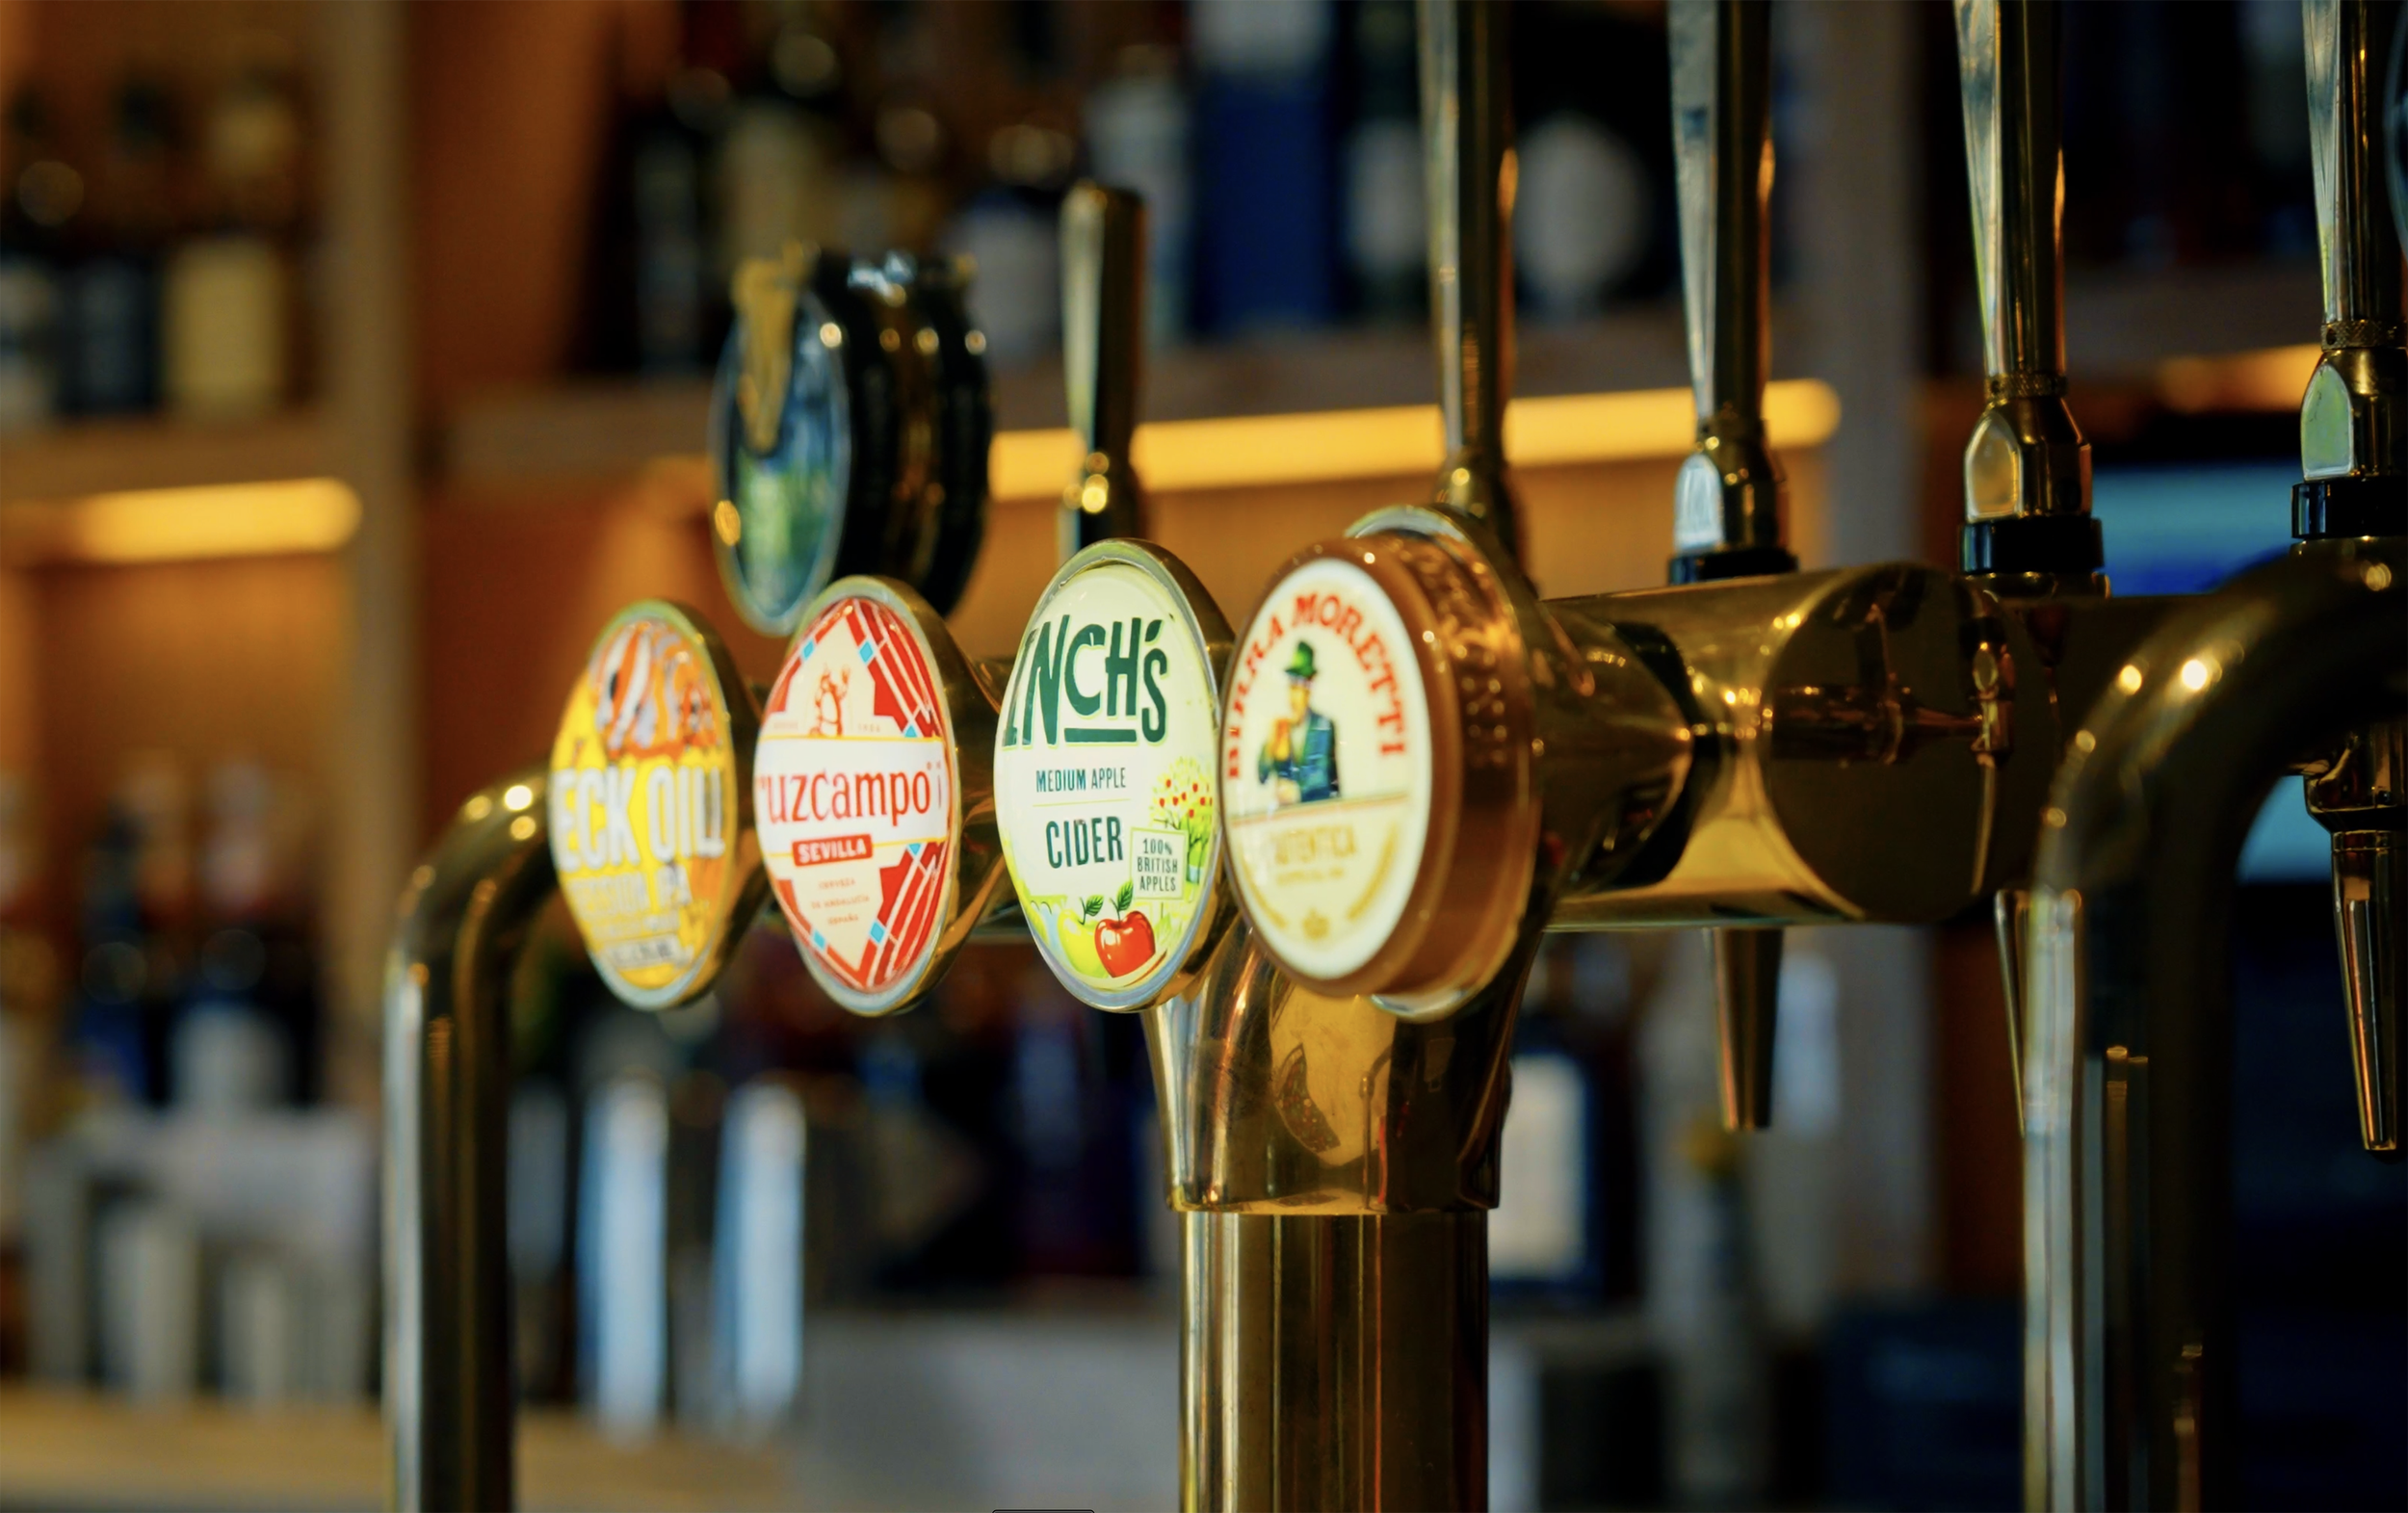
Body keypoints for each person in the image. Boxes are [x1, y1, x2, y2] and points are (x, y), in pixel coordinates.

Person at [1257, 640, 1339, 804]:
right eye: (1291, 687)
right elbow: (1262, 775)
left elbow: (1323, 777)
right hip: (1285, 817)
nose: (1293, 697)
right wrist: (1270, 745)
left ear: (1308, 690)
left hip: (1320, 814)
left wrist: (1297, 791)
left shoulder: (1322, 725)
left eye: (1298, 688)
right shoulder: (1282, 728)